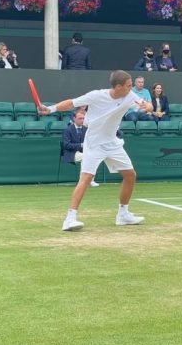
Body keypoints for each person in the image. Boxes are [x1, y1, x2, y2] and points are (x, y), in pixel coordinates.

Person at [39, 69, 153, 231]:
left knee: (130, 175)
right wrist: (50, 109)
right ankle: (70, 219)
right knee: (86, 178)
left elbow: (148, 106)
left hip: (113, 143)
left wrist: (147, 106)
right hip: (94, 143)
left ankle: (123, 214)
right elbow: (72, 103)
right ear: (118, 86)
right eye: (128, 85)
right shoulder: (96, 95)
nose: (131, 88)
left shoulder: (130, 96)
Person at [61, 109, 99, 187]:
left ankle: (90, 180)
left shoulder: (86, 129)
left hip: (84, 152)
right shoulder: (67, 130)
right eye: (80, 118)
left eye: (83, 118)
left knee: (93, 157)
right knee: (86, 157)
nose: (82, 120)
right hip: (70, 153)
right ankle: (83, 182)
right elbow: (66, 145)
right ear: (74, 119)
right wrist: (81, 145)